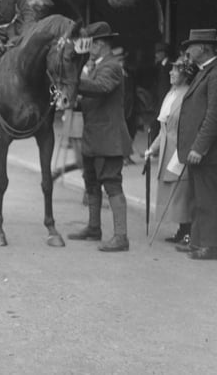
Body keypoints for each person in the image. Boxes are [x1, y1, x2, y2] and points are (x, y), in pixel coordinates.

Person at [67, 22, 132, 252]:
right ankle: (94, 228)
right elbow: (92, 94)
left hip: (108, 138)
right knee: (91, 183)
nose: (87, 49)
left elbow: (101, 88)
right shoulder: (98, 66)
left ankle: (121, 237)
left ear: (101, 45)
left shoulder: (112, 66)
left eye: (90, 44)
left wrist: (72, 82)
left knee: (112, 185)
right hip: (95, 137)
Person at [175, 29, 217, 260]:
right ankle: (198, 241)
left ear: (204, 47)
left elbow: (214, 116)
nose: (188, 51)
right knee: (199, 197)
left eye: (192, 46)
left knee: (207, 198)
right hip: (198, 149)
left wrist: (199, 147)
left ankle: (209, 246)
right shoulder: (206, 71)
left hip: (206, 151)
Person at [144, 57, 197, 244]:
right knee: (174, 190)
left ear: (185, 75)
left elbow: (187, 126)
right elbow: (164, 128)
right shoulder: (171, 93)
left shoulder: (187, 95)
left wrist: (184, 149)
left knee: (183, 191)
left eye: (175, 70)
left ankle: (189, 230)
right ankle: (182, 230)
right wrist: (153, 148)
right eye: (172, 69)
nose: (170, 72)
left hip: (179, 149)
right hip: (167, 149)